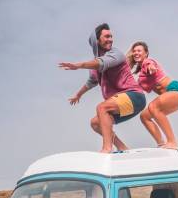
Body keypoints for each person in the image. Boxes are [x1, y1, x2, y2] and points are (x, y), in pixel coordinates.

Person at [59, 24, 146, 153]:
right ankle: (122, 147)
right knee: (95, 123)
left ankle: (106, 148)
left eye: (111, 36)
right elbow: (91, 82)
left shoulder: (116, 54)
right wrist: (78, 95)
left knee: (102, 107)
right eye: (106, 36)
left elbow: (101, 63)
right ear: (97, 41)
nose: (110, 39)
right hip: (123, 103)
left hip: (134, 96)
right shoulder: (95, 67)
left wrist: (79, 65)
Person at [127, 41, 178, 149]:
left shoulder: (148, 62)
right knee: (144, 116)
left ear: (146, 53)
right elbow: (134, 89)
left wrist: (151, 67)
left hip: (177, 90)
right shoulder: (141, 75)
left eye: (139, 51)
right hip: (170, 95)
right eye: (134, 51)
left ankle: (172, 142)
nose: (136, 53)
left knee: (153, 107)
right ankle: (161, 143)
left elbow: (150, 65)